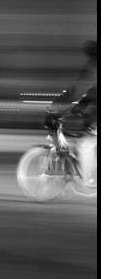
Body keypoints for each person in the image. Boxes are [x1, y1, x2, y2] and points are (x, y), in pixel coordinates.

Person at [48, 40, 98, 183]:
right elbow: (92, 94)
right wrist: (77, 109)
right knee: (87, 137)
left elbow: (77, 91)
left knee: (85, 144)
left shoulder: (93, 68)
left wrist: (57, 105)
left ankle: (91, 181)